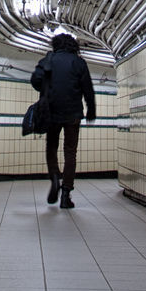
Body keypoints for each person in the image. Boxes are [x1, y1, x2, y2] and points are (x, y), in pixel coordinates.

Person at [31, 32, 96, 209]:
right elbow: (88, 88)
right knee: (70, 152)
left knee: (51, 146)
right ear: (73, 46)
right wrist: (91, 110)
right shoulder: (79, 62)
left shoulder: (49, 59)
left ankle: (54, 176)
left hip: (51, 111)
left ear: (56, 45)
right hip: (73, 113)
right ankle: (66, 194)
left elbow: (35, 80)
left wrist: (46, 86)